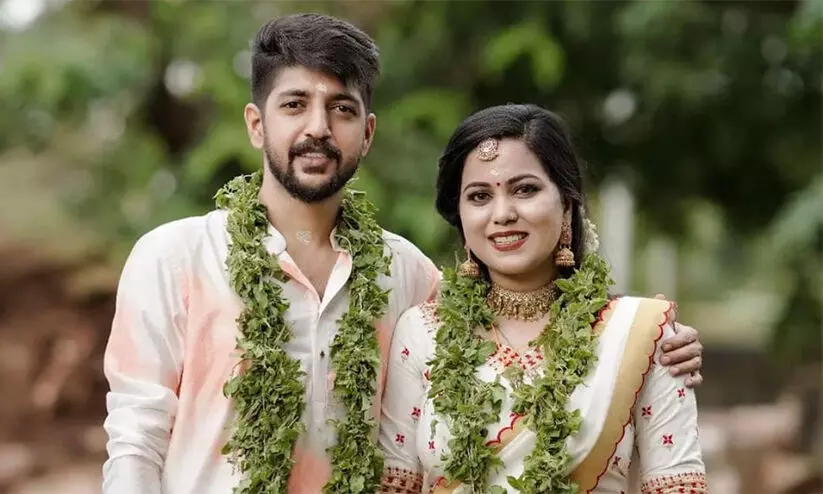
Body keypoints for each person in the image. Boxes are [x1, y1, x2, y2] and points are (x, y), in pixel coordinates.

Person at [101, 13, 704, 494]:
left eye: (341, 108)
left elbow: (504, 332)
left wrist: (653, 343)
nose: (318, 128)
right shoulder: (174, 258)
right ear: (256, 124)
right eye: (294, 104)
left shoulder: (406, 275)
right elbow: (136, 438)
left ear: (367, 132)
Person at [378, 104, 707, 494]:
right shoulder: (423, 333)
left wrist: (650, 338)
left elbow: (678, 486)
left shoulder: (639, 334)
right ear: (462, 219)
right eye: (479, 196)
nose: (502, 213)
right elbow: (394, 486)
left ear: (566, 204)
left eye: (525, 190)